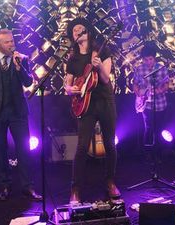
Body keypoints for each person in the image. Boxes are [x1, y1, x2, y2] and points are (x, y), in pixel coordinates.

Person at [0, 29, 42, 201]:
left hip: (17, 111)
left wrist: (19, 66)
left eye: (12, 41)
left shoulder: (21, 59)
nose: (11, 44)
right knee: (0, 150)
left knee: (24, 149)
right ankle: (5, 185)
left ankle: (27, 187)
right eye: (7, 42)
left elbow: (28, 82)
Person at [65, 18, 120, 203]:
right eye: (74, 31)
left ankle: (110, 181)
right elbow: (68, 84)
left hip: (104, 101)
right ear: (73, 37)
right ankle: (75, 188)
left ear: (88, 32)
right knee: (81, 147)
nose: (78, 31)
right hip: (84, 104)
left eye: (81, 28)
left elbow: (105, 79)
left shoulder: (102, 50)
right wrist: (69, 89)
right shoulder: (72, 58)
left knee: (109, 144)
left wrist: (98, 67)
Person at [133, 43, 169, 163]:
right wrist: (138, 93)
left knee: (158, 129)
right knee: (148, 128)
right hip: (146, 104)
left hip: (159, 103)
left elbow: (166, 84)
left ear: (154, 58)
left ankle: (158, 154)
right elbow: (135, 84)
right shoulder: (139, 69)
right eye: (146, 59)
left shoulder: (161, 68)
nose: (148, 62)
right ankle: (147, 154)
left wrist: (159, 90)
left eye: (150, 59)